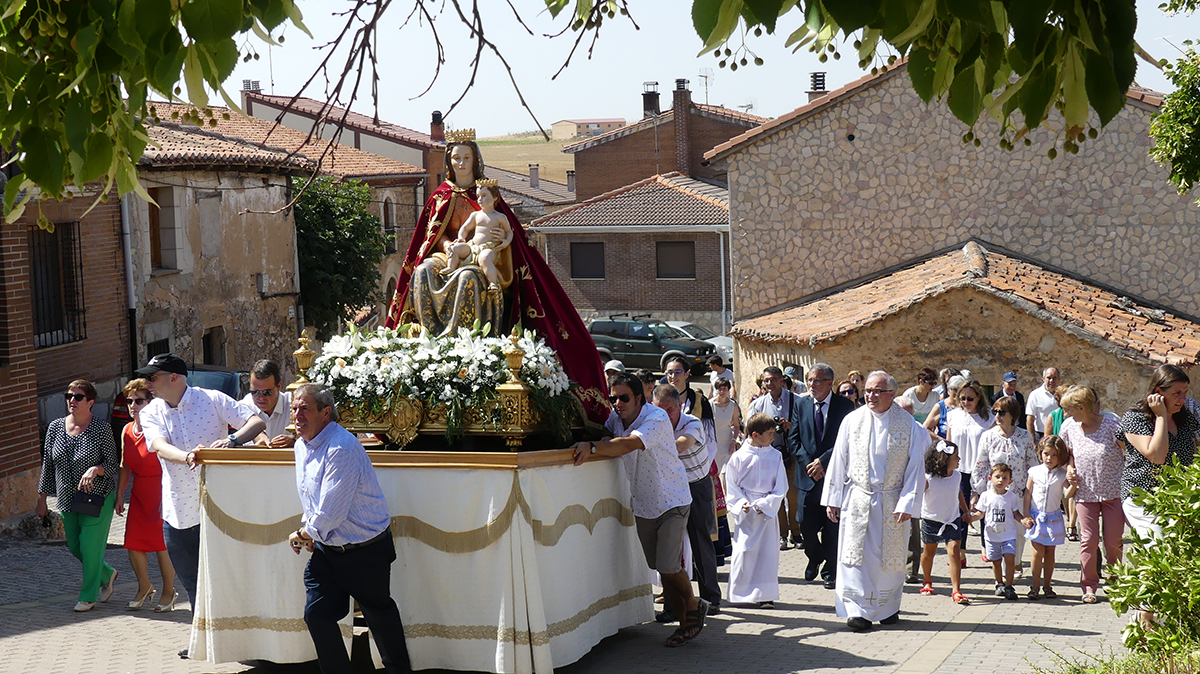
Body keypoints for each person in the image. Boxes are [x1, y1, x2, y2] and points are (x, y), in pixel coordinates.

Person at [384, 131, 607, 424]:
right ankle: (432, 343)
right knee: (423, 271)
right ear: (449, 162)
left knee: (468, 278)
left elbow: (510, 237)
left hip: (483, 259)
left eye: (466, 157)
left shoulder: (488, 196)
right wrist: (448, 245)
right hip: (451, 253)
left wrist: (501, 242)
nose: (461, 163)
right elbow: (432, 238)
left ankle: (464, 344)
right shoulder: (441, 196)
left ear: (476, 160)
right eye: (456, 158)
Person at [137, 353, 265, 658]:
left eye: (152, 377)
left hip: (219, 506)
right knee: (192, 580)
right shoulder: (151, 411)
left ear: (174, 378)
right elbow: (158, 446)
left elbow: (256, 421)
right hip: (179, 509)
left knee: (228, 574)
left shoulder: (212, 399)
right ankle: (203, 640)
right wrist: (188, 457)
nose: (147, 383)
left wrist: (232, 442)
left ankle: (242, 639)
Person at [571, 373, 708, 647]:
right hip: (644, 504)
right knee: (660, 567)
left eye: (624, 398)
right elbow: (609, 434)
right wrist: (600, 439)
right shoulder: (615, 419)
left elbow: (626, 445)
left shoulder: (655, 418)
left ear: (638, 398)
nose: (618, 403)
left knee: (669, 566)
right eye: (614, 398)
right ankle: (686, 621)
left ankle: (692, 609)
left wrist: (593, 448)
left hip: (672, 500)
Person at [286, 384, 411, 673]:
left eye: (305, 409)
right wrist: (311, 532)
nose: (297, 415)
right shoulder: (300, 445)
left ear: (325, 413)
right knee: (317, 614)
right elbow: (313, 498)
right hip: (328, 550)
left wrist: (304, 534)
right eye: (294, 409)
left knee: (379, 616)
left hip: (365, 550)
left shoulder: (341, 448)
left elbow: (331, 512)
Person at [821, 371, 930, 631]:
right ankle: (857, 610)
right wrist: (833, 499)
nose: (870, 395)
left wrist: (908, 503)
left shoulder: (908, 424)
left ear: (891, 394)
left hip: (892, 501)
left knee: (889, 559)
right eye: (868, 390)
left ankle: (887, 608)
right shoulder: (852, 420)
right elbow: (839, 459)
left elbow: (916, 466)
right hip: (858, 498)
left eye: (877, 391)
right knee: (856, 558)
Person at [35, 379, 120, 612]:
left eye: (78, 396)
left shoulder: (101, 428)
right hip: (66, 498)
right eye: (69, 396)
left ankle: (88, 596)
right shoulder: (55, 428)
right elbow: (48, 467)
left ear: (90, 402)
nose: (72, 400)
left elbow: (113, 464)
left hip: (97, 498)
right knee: (75, 546)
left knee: (90, 548)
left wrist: (96, 469)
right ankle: (107, 574)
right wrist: (42, 500)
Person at [651, 385, 722, 617]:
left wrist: (647, 443)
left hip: (696, 486)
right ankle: (672, 606)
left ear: (680, 406)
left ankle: (710, 599)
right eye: (659, 410)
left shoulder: (693, 423)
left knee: (701, 543)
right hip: (670, 489)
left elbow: (682, 444)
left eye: (669, 410)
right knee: (669, 548)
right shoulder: (653, 424)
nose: (664, 416)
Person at [114, 379, 177, 611]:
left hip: (161, 491)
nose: (133, 406)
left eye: (139, 401)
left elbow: (172, 464)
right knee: (133, 543)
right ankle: (144, 587)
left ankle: (169, 592)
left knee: (161, 546)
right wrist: (120, 495)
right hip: (139, 493)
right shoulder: (127, 430)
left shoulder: (161, 427)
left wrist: (168, 497)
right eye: (129, 401)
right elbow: (125, 465)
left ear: (151, 402)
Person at [790, 363, 854, 590]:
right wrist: (810, 464)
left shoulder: (844, 406)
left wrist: (823, 462)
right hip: (807, 477)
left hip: (833, 475)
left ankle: (830, 571)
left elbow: (847, 440)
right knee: (804, 524)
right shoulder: (801, 403)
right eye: (809, 379)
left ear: (829, 383)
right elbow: (793, 439)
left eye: (817, 380)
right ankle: (814, 556)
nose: (811, 384)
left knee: (832, 526)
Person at [1059, 385, 1124, 604]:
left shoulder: (1112, 423)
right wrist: (1069, 468)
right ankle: (1089, 585)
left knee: (1113, 541)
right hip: (1085, 492)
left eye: (1069, 409)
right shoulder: (1069, 427)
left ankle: (1115, 581)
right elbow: (1067, 454)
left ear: (1082, 407)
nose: (1066, 414)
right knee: (1088, 540)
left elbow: (1128, 450)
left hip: (1113, 491)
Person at [1118, 364, 1198, 540]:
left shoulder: (1184, 417)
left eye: (1185, 392)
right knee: (1159, 544)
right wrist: (1161, 416)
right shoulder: (1135, 418)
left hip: (1177, 499)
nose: (1183, 399)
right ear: (1158, 392)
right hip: (1143, 498)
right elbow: (1157, 456)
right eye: (1177, 393)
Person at [725, 413, 789, 607]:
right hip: (747, 512)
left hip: (766, 511)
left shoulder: (775, 456)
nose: (773, 437)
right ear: (755, 434)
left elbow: (781, 486)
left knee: (767, 554)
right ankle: (740, 593)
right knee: (744, 552)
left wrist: (768, 503)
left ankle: (765, 595)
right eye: (769, 434)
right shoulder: (738, 457)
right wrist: (741, 504)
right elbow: (732, 485)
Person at [972, 395, 1035, 574]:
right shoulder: (988, 436)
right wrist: (977, 492)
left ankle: (1016, 562)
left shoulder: (1024, 436)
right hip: (995, 495)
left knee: (1019, 532)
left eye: (1002, 412)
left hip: (1017, 493)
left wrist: (1032, 491)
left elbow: (1032, 465)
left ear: (1013, 415)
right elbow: (981, 465)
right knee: (997, 530)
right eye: (995, 412)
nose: (998, 416)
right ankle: (1001, 571)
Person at [747, 366, 800, 551]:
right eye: (766, 380)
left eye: (773, 379)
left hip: (791, 454)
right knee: (775, 498)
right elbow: (750, 431)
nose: (769, 383)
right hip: (768, 456)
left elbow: (804, 426)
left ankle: (796, 533)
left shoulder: (796, 401)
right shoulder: (758, 404)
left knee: (793, 496)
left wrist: (790, 426)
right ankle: (782, 535)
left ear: (781, 380)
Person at [918, 441, 973, 606]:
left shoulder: (957, 476)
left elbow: (958, 493)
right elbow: (917, 497)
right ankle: (927, 580)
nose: (959, 459)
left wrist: (966, 511)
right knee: (929, 553)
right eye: (956, 456)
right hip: (931, 520)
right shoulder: (928, 478)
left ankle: (956, 590)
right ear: (944, 459)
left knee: (955, 551)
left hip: (952, 520)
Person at [946, 380, 995, 565]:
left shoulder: (988, 418)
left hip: (982, 469)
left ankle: (986, 546)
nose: (966, 402)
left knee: (983, 508)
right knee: (960, 510)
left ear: (979, 398)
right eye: (962, 398)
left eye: (970, 398)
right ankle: (961, 551)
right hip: (959, 469)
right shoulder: (953, 415)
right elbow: (949, 443)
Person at [1023, 435, 1076, 600]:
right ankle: (1035, 586)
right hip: (1036, 516)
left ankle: (1047, 585)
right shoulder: (1034, 471)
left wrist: (1074, 484)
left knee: (1050, 552)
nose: (1049, 458)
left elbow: (1067, 494)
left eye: (1054, 455)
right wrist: (1026, 515)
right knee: (1037, 552)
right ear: (1040, 453)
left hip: (1053, 517)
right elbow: (1027, 494)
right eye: (1046, 454)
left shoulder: (1061, 474)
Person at [972, 463, 1031, 600]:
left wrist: (1023, 520)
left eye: (1005, 478)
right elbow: (980, 513)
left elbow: (1016, 514)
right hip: (992, 536)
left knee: (1010, 559)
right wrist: (972, 518)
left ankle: (1009, 586)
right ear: (990, 479)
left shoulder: (1011, 497)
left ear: (1010, 481)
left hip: (1009, 535)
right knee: (996, 561)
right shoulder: (986, 496)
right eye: (997, 477)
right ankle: (999, 584)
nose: (1000, 480)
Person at [445, 180, 512, 293]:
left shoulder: (500, 217)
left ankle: (492, 283)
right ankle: (451, 268)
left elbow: (509, 231)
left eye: (484, 196)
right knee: (455, 248)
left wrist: (506, 241)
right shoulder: (475, 215)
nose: (480, 199)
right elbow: (465, 228)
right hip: (472, 247)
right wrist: (461, 238)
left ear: (495, 197)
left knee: (485, 259)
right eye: (478, 196)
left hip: (488, 248)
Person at [242, 359, 294, 448]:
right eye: (254, 392)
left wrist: (294, 439)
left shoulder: (292, 404)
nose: (261, 397)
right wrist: (257, 434)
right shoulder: (244, 406)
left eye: (267, 392)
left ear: (278, 386)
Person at [711, 378, 741, 475]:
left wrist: (733, 441)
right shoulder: (710, 405)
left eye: (724, 389)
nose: (722, 391)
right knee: (715, 473)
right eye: (720, 389)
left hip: (727, 444)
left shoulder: (733, 405)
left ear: (728, 390)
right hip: (713, 443)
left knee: (726, 473)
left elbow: (736, 426)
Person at [924, 375, 966, 440]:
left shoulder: (967, 406)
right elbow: (925, 428)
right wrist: (942, 440)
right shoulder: (940, 406)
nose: (957, 393)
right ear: (948, 390)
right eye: (954, 390)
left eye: (960, 390)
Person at [1026, 367, 1060, 440]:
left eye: (1054, 378)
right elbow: (1030, 419)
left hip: (1060, 435)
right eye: (1049, 378)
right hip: (1041, 436)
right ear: (1043, 379)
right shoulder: (1035, 395)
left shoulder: (1063, 393)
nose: (1051, 381)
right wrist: (1033, 441)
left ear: (1058, 379)